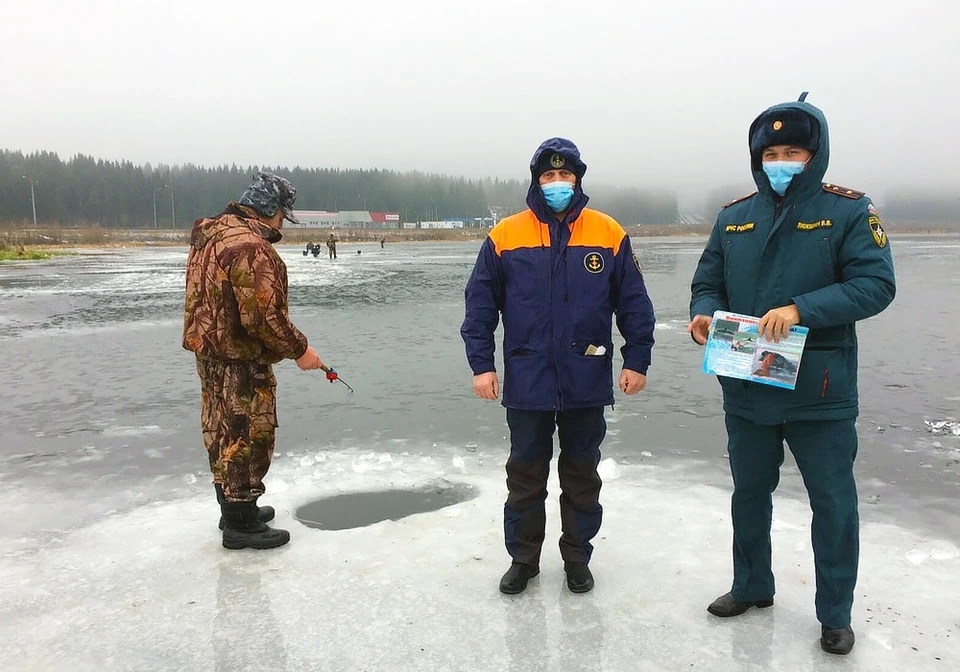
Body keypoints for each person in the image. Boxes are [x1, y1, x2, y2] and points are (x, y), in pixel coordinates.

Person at [688, 94, 895, 655]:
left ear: (815, 154)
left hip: (819, 392)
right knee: (749, 493)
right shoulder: (735, 217)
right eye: (772, 152)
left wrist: (801, 309)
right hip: (747, 383)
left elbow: (876, 285)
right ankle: (751, 585)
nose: (782, 160)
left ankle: (835, 613)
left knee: (832, 503)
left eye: (794, 151)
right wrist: (702, 313)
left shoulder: (850, 210)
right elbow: (707, 280)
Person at [461, 137, 656, 595]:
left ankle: (576, 558)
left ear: (578, 179)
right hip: (527, 379)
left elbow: (634, 304)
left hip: (586, 377)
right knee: (525, 476)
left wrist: (638, 358)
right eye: (548, 176)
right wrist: (481, 366)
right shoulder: (505, 235)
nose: (556, 183)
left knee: (582, 474)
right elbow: (480, 308)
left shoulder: (608, 233)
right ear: (536, 182)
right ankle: (523, 559)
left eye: (564, 175)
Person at [182, 171, 324, 550]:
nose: (282, 223)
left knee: (219, 427)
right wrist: (300, 349)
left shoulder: (212, 233)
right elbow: (263, 317)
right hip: (239, 358)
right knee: (246, 432)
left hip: (209, 350)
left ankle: (231, 506)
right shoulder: (251, 247)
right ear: (270, 210)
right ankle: (240, 522)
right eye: (282, 215)